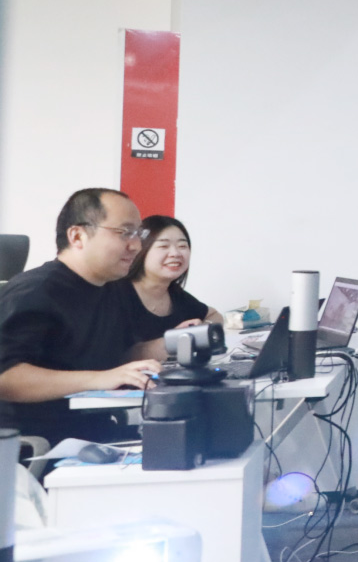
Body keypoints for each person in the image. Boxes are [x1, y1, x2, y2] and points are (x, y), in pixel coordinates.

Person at [0, 189, 162, 445]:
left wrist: (176, 345)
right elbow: (6, 376)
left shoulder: (114, 289)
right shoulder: (36, 291)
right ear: (77, 236)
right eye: (124, 232)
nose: (136, 245)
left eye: (137, 234)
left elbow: (119, 355)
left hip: (95, 433)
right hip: (37, 445)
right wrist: (100, 378)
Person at [120, 216, 221, 344]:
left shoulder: (175, 294)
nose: (175, 253)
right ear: (141, 250)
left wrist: (201, 330)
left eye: (182, 246)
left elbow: (215, 316)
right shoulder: (117, 294)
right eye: (163, 246)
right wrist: (175, 340)